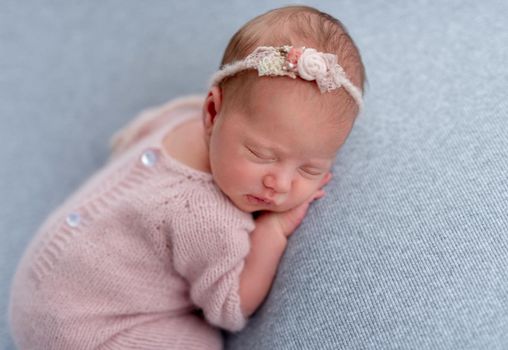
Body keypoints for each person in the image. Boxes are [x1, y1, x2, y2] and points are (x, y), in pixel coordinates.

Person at [8, 5, 366, 349]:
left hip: (38, 290)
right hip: (90, 336)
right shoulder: (206, 216)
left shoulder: (177, 117)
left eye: (310, 169)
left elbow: (129, 139)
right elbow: (230, 307)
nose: (281, 184)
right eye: (261, 154)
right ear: (213, 111)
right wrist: (272, 232)